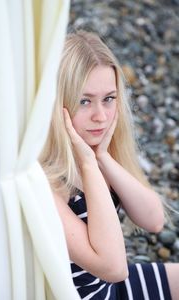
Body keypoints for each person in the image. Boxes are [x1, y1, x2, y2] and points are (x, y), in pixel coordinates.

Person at [40, 30, 179, 299]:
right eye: (84, 101)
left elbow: (154, 220)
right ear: (59, 103)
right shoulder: (44, 180)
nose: (101, 116)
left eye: (109, 99)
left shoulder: (101, 153)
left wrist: (103, 158)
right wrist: (90, 163)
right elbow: (114, 268)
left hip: (110, 290)